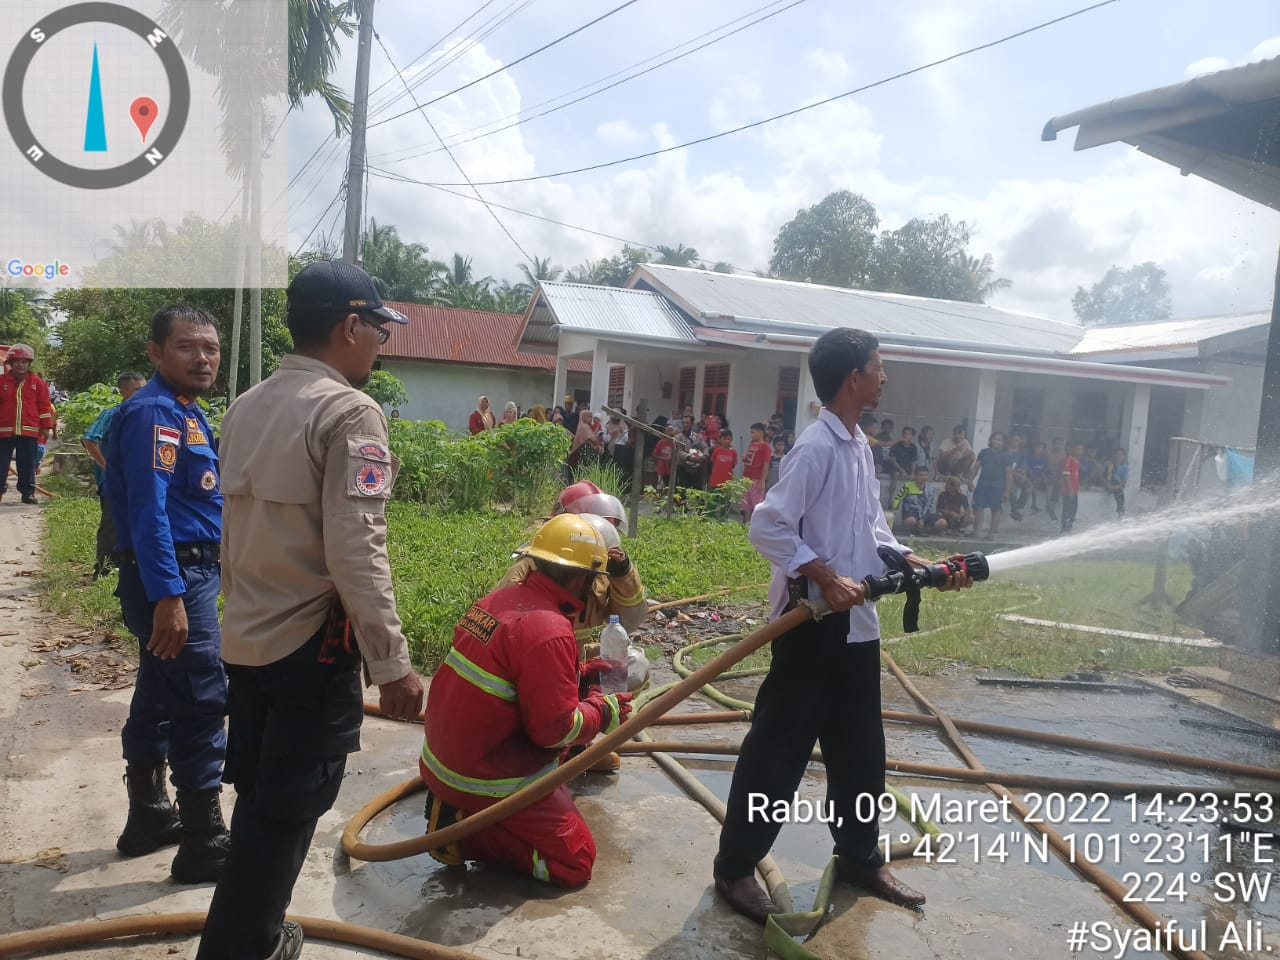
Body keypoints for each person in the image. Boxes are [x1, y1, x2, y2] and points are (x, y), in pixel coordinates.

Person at [196, 260, 424, 960]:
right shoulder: (350, 412)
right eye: (379, 327)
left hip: (247, 638)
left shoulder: (246, 404)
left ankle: (247, 933)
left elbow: (230, 534)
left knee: (262, 798)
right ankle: (245, 945)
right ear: (350, 326)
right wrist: (394, 664)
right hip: (308, 647)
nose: (382, 341)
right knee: (287, 813)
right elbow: (358, 550)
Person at [713, 328, 970, 924]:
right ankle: (734, 867)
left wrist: (913, 561)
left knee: (861, 752)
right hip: (811, 627)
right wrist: (823, 575)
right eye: (879, 368)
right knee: (778, 754)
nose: (885, 377)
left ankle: (859, 856)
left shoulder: (859, 446)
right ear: (852, 377)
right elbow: (767, 526)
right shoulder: (817, 448)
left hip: (858, 628)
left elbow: (871, 529)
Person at [421, 514, 633, 885]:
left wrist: (582, 676)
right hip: (487, 779)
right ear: (582, 578)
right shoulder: (549, 628)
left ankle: (456, 809)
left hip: (443, 761)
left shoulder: (499, 600)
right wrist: (605, 710)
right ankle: (462, 831)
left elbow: (514, 678)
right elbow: (554, 731)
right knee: (574, 863)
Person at [104, 307, 229, 884]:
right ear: (156, 353)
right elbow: (147, 511)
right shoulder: (155, 411)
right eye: (186, 347)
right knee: (201, 697)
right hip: (175, 577)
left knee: (158, 690)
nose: (202, 358)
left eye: (210, 348)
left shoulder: (186, 412)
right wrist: (169, 595)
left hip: (185, 573)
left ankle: (149, 815)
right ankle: (205, 837)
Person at [82, 372, 147, 578]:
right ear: (123, 392)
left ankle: (128, 568)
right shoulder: (112, 414)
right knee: (111, 526)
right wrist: (107, 468)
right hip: (113, 484)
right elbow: (89, 440)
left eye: (144, 388)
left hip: (137, 482)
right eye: (137, 389)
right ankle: (103, 569)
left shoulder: (144, 415)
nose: (142, 393)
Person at [0, 343, 54, 504]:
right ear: (10, 364)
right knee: (1, 464)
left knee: (27, 464)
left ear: (29, 364)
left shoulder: (38, 383)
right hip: (3, 431)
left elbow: (44, 406)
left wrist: (45, 426)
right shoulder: (1, 381)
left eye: (24, 362)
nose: (20, 365)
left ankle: (27, 493)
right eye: (17, 361)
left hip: (29, 431)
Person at [970, 432, 1011, 539]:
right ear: (990, 440)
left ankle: (991, 534)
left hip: (997, 486)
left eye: (999, 440)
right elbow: (976, 467)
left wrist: (1007, 490)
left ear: (1003, 442)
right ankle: (976, 532)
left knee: (995, 509)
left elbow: (1009, 474)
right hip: (983, 484)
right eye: (995, 439)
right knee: (979, 507)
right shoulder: (984, 452)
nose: (997, 441)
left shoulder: (1006, 455)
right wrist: (970, 480)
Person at [741, 423, 772, 519]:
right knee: (746, 504)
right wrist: (745, 458)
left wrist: (763, 481)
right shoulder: (751, 444)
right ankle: (746, 525)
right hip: (747, 477)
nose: (751, 435)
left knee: (756, 504)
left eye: (753, 432)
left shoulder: (765, 446)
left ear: (760, 433)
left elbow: (766, 464)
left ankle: (754, 526)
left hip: (757, 478)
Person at [892, 465, 931, 532]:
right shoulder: (908, 486)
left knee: (941, 522)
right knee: (911, 521)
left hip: (923, 513)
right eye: (921, 475)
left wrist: (923, 519)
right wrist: (895, 509)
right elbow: (898, 498)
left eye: (925, 475)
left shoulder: (930, 489)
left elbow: (929, 505)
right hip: (909, 512)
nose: (923, 477)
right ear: (916, 476)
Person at [1006, 432, 1028, 522]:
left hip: (1017, 474)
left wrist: (1023, 475)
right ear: (1010, 441)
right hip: (1006, 475)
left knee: (1029, 488)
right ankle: (1015, 511)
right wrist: (1014, 473)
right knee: (1012, 491)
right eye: (1014, 440)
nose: (1016, 442)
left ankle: (1018, 507)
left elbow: (1023, 466)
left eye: (1018, 440)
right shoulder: (1005, 452)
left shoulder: (1021, 453)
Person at [1061, 442, 1083, 533]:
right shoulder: (1069, 459)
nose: (1080, 451)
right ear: (1073, 449)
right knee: (1067, 509)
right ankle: (1063, 529)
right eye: (1077, 449)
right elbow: (1066, 475)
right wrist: (1070, 489)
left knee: (1073, 510)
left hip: (1075, 490)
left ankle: (1069, 528)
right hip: (1068, 490)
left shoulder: (1077, 460)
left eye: (1081, 449)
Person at [1024, 441, 1049, 515]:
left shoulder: (1044, 459)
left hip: (1039, 477)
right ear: (1034, 448)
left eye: (1041, 448)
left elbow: (1044, 469)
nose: (1039, 450)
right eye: (1037, 447)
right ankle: (1034, 505)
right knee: (1033, 484)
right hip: (1030, 477)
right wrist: (1033, 476)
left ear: (1044, 449)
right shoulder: (1029, 458)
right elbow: (1027, 468)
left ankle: (1048, 504)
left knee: (1047, 483)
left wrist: (1041, 477)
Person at [1045, 438, 1066, 522]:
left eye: (1060, 443)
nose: (1058, 445)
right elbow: (1045, 465)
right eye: (1056, 443)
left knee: (1059, 485)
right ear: (1053, 444)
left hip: (1058, 476)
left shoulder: (1064, 454)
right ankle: (1049, 506)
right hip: (1047, 475)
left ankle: (1052, 508)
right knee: (1049, 485)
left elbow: (1063, 467)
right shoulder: (1048, 452)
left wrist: (1060, 476)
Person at [1106, 447, 1128, 516]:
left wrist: (1118, 486)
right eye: (1117, 454)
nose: (1118, 456)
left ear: (1123, 457)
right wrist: (1109, 486)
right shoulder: (1110, 465)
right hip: (1110, 484)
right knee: (1115, 482)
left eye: (1120, 455)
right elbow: (1108, 478)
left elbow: (1124, 481)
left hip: (1117, 486)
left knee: (1120, 492)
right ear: (1114, 455)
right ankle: (1121, 510)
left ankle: (1120, 509)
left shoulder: (1124, 467)